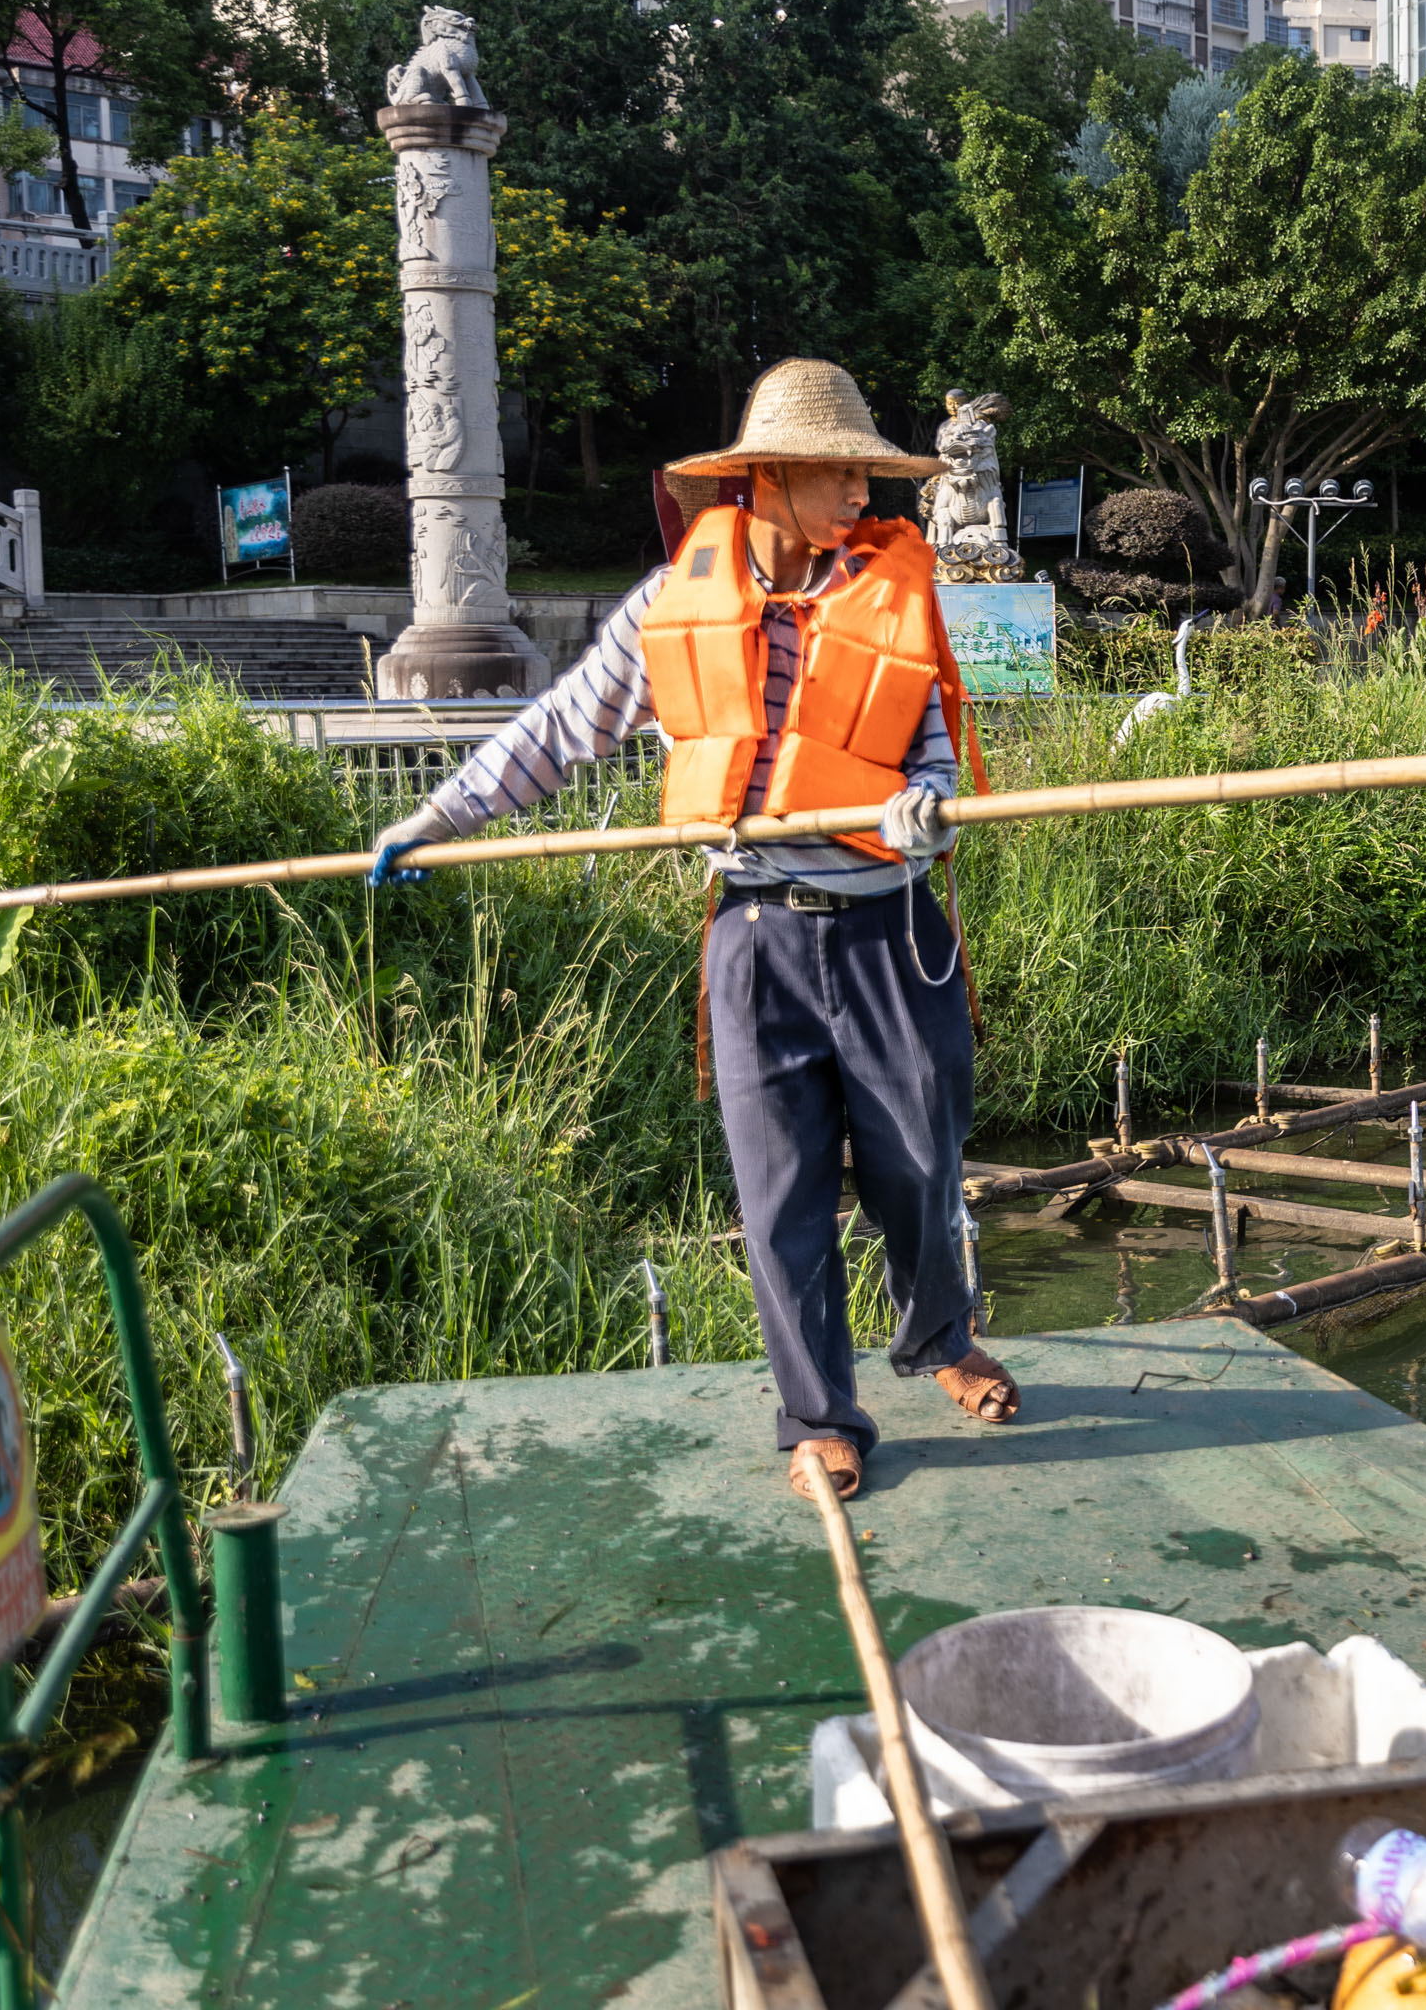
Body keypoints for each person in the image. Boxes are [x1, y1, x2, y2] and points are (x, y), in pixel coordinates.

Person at [370, 358, 1014, 1502]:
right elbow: (559, 728)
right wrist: (437, 814)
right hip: (758, 935)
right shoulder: (676, 602)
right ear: (766, 478)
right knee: (780, 1193)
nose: (859, 496)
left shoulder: (890, 590)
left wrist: (923, 809)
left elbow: (926, 749)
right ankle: (820, 1412)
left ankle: (937, 1335)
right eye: (837, 475)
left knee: (920, 1162)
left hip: (886, 927)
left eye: (867, 473)